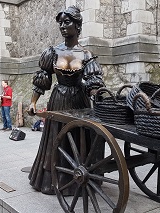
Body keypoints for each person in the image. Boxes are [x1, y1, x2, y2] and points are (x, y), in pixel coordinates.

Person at [27, 6, 105, 195]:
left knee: (79, 139)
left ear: (77, 26)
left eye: (67, 22)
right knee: (57, 138)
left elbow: (94, 82)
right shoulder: (53, 52)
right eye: (60, 22)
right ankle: (53, 180)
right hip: (59, 100)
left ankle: (80, 177)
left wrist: (96, 92)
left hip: (79, 100)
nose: (63, 26)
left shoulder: (85, 54)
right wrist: (33, 102)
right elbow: (43, 79)